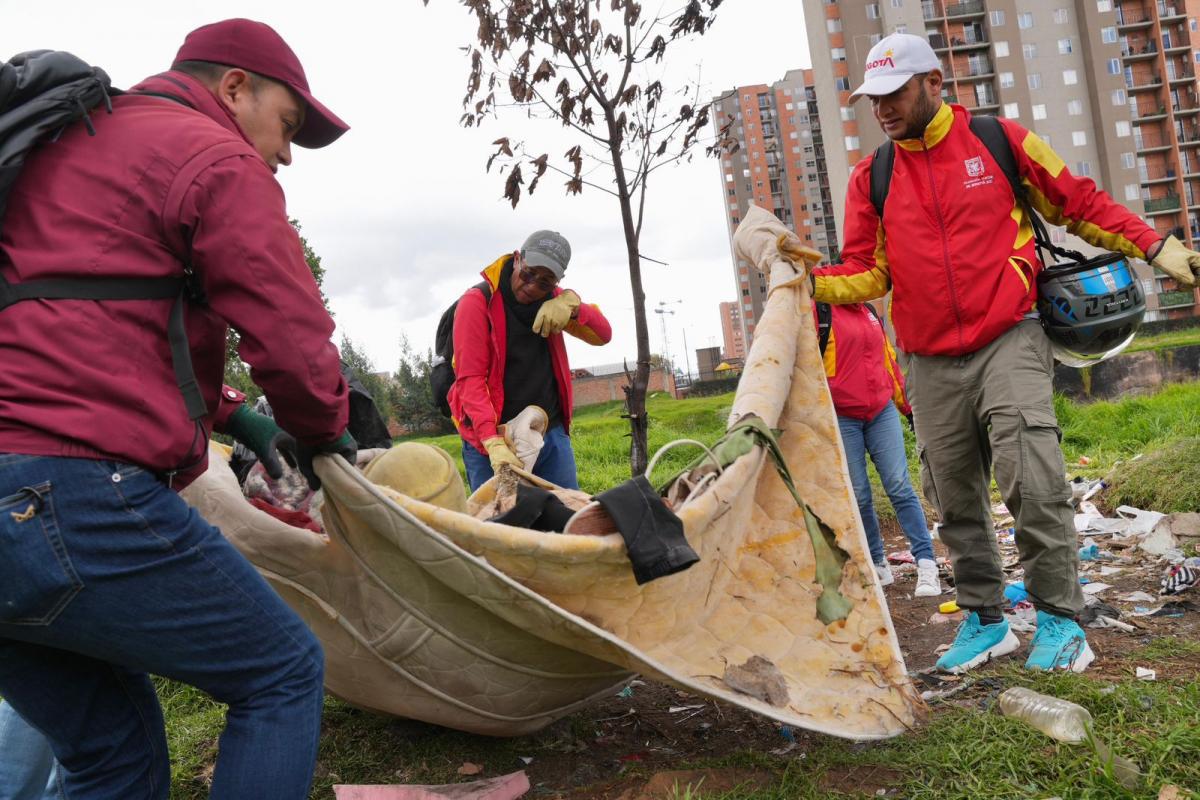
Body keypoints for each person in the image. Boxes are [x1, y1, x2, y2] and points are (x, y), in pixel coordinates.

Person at [0, 19, 358, 796]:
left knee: (113, 754)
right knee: (282, 674)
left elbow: (77, 321)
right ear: (234, 87)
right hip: (69, 491)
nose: (285, 152)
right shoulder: (211, 154)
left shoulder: (66, 147)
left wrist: (234, 413)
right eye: (287, 125)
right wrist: (327, 427)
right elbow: (291, 342)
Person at [786, 32, 1200, 674]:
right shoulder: (875, 176)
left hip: (1009, 337)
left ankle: (1061, 622)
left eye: (895, 94)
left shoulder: (1000, 142)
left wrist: (1154, 245)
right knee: (954, 501)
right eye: (875, 100)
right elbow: (867, 273)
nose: (884, 110)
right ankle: (985, 621)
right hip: (927, 360)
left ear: (934, 84)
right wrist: (804, 282)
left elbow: (1078, 202)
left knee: (1031, 480)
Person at [450, 231, 612, 491]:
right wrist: (492, 442)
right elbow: (470, 380)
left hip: (550, 434)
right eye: (528, 274)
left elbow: (603, 335)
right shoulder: (477, 303)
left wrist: (574, 306)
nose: (532, 286)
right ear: (517, 259)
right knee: (499, 525)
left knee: (566, 518)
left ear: (557, 281)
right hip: (493, 439)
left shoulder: (556, 300)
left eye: (545, 282)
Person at [817, 301, 941, 597]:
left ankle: (926, 562)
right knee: (859, 493)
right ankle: (877, 562)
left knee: (899, 485)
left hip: (880, 411)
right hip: (843, 415)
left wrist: (907, 408)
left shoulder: (870, 312)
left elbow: (888, 362)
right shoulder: (819, 312)